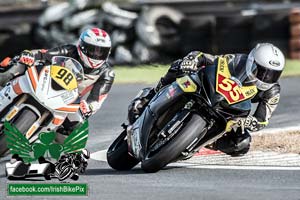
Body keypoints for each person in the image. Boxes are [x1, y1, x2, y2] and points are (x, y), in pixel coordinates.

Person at [132, 43, 285, 156]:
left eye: (273, 74)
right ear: (252, 62)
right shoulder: (237, 60)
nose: (266, 78)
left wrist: (250, 122)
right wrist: (193, 60)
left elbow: (263, 119)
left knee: (241, 145)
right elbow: (208, 58)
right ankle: (151, 95)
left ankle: (203, 142)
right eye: (263, 71)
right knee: (179, 66)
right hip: (213, 91)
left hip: (233, 111)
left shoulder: (272, 91)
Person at [0, 28, 114, 174]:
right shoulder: (69, 50)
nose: (96, 55)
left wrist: (89, 106)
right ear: (82, 47)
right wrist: (30, 56)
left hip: (69, 100)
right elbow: (44, 54)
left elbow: (98, 98)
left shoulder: (107, 73)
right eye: (93, 50)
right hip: (47, 82)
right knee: (16, 65)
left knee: (77, 129)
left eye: (101, 52)